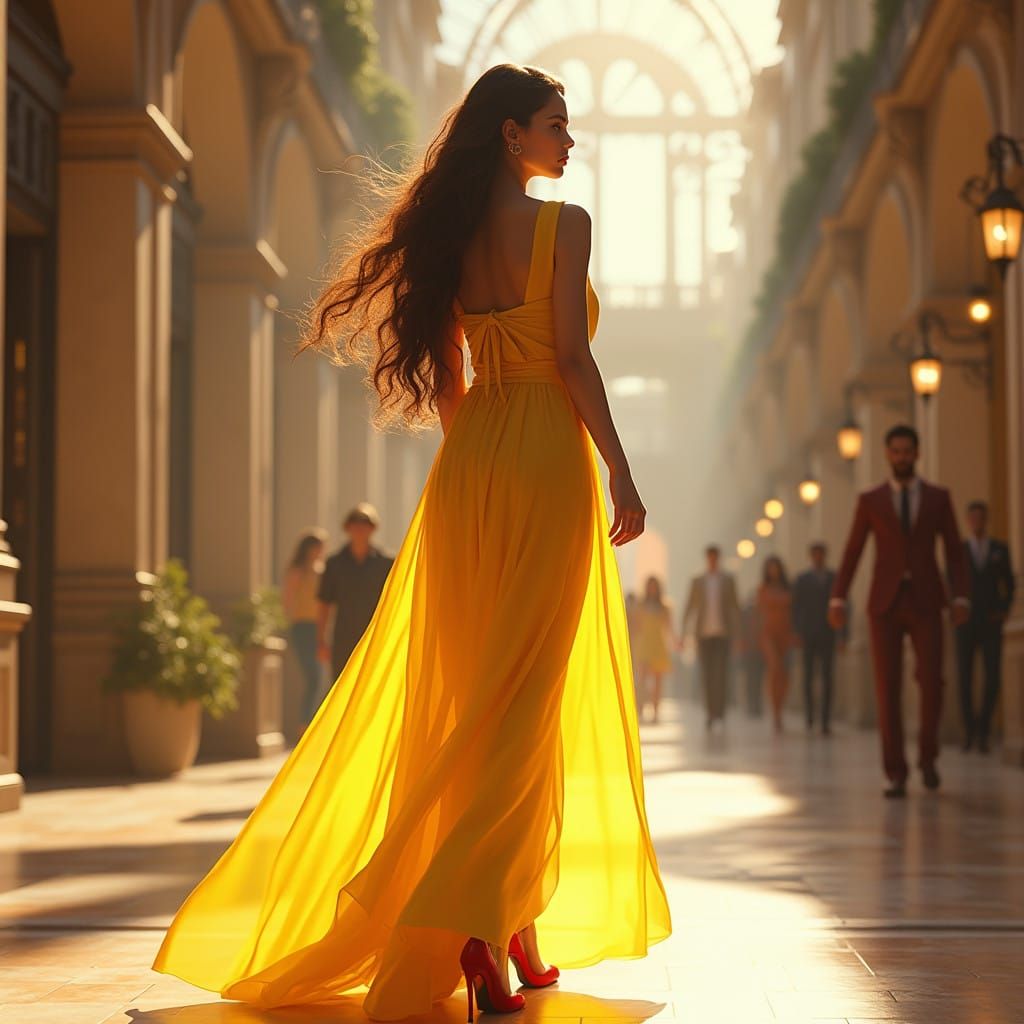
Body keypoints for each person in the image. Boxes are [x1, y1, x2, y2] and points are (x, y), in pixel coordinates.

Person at [152, 64, 670, 1021]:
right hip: (549, 459)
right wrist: (620, 470)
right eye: (557, 123)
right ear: (513, 135)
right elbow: (569, 356)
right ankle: (471, 922)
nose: (571, 139)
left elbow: (446, 379)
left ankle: (509, 926)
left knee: (475, 687)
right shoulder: (566, 225)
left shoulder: (448, 235)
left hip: (472, 466)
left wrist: (478, 452)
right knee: (527, 700)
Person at [829, 424, 970, 798]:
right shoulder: (871, 500)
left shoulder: (939, 499)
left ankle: (927, 758)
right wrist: (838, 597)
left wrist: (961, 597)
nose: (902, 457)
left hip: (926, 600)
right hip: (885, 604)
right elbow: (853, 550)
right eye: (896, 451)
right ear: (887, 454)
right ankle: (894, 771)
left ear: (917, 454)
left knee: (932, 683)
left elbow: (955, 551)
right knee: (887, 687)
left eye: (908, 451)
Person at [956, 500, 1016, 753]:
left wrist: (1002, 610)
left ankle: (984, 729)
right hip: (966, 624)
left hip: (991, 622)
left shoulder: (999, 550)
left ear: (986, 520)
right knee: (965, 678)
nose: (977, 523)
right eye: (973, 518)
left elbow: (1010, 584)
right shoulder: (959, 551)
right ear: (968, 521)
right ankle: (969, 730)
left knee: (992, 677)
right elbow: (951, 581)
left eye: (981, 518)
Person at [317, 503, 394, 682]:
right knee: (342, 685)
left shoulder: (386, 563)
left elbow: (395, 601)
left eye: (365, 524)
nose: (360, 529)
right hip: (344, 637)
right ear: (347, 527)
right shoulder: (334, 563)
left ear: (373, 528)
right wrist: (321, 640)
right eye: (355, 523)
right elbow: (324, 603)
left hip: (376, 636)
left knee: (374, 685)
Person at [681, 544, 741, 731]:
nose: (713, 560)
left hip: (723, 633)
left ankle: (720, 712)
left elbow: (734, 606)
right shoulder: (698, 581)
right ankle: (710, 712)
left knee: (721, 674)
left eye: (715, 557)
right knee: (707, 675)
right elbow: (690, 606)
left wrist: (739, 634)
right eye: (710, 557)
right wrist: (684, 632)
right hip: (703, 634)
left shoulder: (728, 580)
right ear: (707, 558)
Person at [792, 542, 845, 735]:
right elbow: (796, 608)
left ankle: (825, 719)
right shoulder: (802, 579)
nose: (818, 558)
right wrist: (796, 632)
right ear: (811, 556)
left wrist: (842, 636)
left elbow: (843, 607)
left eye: (820, 554)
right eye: (815, 554)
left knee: (827, 678)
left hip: (828, 633)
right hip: (808, 634)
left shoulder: (834, 578)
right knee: (808, 677)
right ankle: (810, 716)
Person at [281, 528, 329, 727]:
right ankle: (305, 723)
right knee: (313, 676)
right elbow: (288, 599)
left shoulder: (322, 570)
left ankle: (314, 723)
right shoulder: (297, 571)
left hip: (318, 628)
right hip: (301, 627)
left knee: (320, 677)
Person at [756, 556, 794, 734]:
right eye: (770, 568)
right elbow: (757, 614)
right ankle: (775, 712)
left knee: (785, 675)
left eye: (776, 567)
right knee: (774, 668)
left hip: (785, 633)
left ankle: (781, 706)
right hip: (768, 634)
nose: (774, 571)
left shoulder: (788, 588)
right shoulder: (762, 589)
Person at [634, 575, 674, 724]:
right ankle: (640, 707)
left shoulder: (664, 607)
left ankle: (656, 710)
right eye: (650, 586)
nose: (652, 589)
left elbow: (669, 628)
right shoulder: (641, 605)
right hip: (644, 645)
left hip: (658, 645)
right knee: (642, 679)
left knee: (658, 681)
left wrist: (676, 642)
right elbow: (636, 626)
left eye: (654, 586)